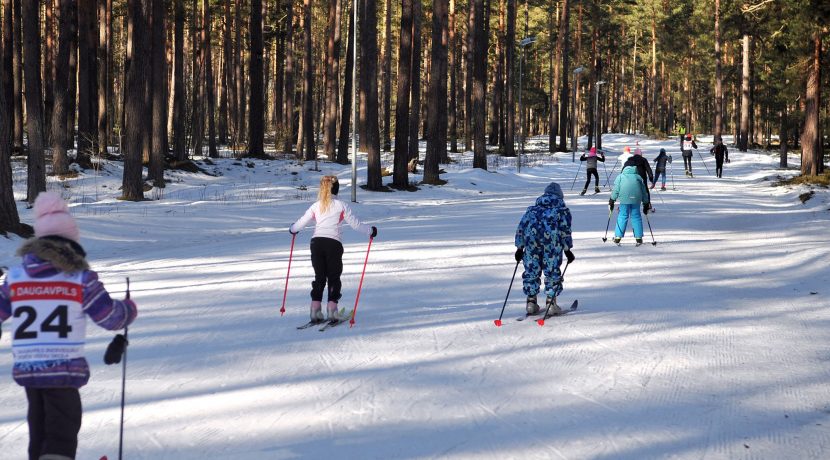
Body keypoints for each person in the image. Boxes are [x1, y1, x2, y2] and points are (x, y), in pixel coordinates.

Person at [0, 191, 137, 460]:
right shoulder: (79, 279)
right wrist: (128, 310)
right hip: (62, 370)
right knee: (62, 433)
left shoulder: (15, 278)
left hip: (29, 369)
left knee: (39, 431)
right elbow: (109, 317)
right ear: (70, 243)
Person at [290, 176, 377, 323]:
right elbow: (355, 225)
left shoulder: (316, 206)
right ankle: (332, 311)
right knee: (333, 277)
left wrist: (293, 229)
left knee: (319, 277)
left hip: (316, 244)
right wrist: (371, 231)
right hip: (333, 244)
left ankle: (315, 311)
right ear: (337, 189)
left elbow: (301, 223)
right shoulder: (341, 205)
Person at [514, 183, 574, 316]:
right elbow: (565, 232)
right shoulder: (562, 211)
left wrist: (519, 247)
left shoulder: (532, 210)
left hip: (531, 244)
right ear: (560, 197)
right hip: (551, 246)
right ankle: (551, 303)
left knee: (531, 270)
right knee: (552, 271)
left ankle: (531, 302)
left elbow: (521, 228)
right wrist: (567, 249)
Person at [609, 166, 651, 246]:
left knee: (622, 216)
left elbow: (616, 189)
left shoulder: (620, 177)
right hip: (636, 200)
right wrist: (646, 203)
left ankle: (618, 237)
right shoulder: (638, 177)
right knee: (636, 217)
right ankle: (639, 238)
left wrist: (612, 199)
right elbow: (644, 190)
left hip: (624, 200)